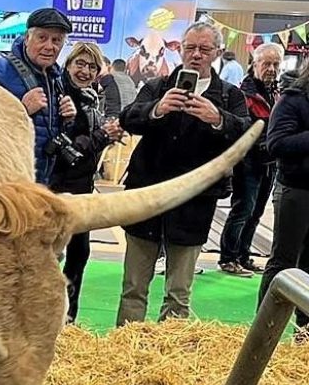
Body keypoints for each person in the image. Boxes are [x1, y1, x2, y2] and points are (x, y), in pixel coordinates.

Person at [114, 23, 251, 326]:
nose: (196, 55)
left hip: (195, 200)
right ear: (181, 49)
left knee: (179, 291)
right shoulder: (158, 86)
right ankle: (123, 348)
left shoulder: (229, 96)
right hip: (147, 195)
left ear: (217, 53)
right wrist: (157, 109)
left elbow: (249, 135)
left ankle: (170, 356)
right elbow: (128, 118)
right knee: (133, 287)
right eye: (190, 48)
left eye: (204, 49)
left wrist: (218, 119)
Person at [51, 41, 123, 322]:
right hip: (57, 190)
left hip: (83, 190)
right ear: (68, 65)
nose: (85, 70)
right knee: (50, 256)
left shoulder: (91, 97)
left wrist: (105, 135)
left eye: (92, 66)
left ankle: (69, 316)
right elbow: (69, 150)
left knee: (79, 254)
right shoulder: (60, 97)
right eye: (79, 63)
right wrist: (104, 136)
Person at [0, 7, 77, 186]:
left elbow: (46, 129)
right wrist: (22, 110)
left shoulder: (56, 77)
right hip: (2, 180)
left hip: (40, 179)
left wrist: (68, 119)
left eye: (56, 40)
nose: (50, 46)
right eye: (42, 38)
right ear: (27, 38)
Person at [218, 42, 282, 277]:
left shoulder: (277, 92)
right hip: (248, 162)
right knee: (242, 209)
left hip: (270, 163)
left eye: (276, 64)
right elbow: (242, 129)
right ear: (254, 65)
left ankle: (244, 255)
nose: (272, 69)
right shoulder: (243, 94)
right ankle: (228, 257)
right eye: (266, 64)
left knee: (256, 212)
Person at [259, 60, 309, 334]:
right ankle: (264, 330)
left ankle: (305, 332)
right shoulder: (293, 99)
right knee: (283, 261)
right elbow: (276, 143)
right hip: (296, 190)